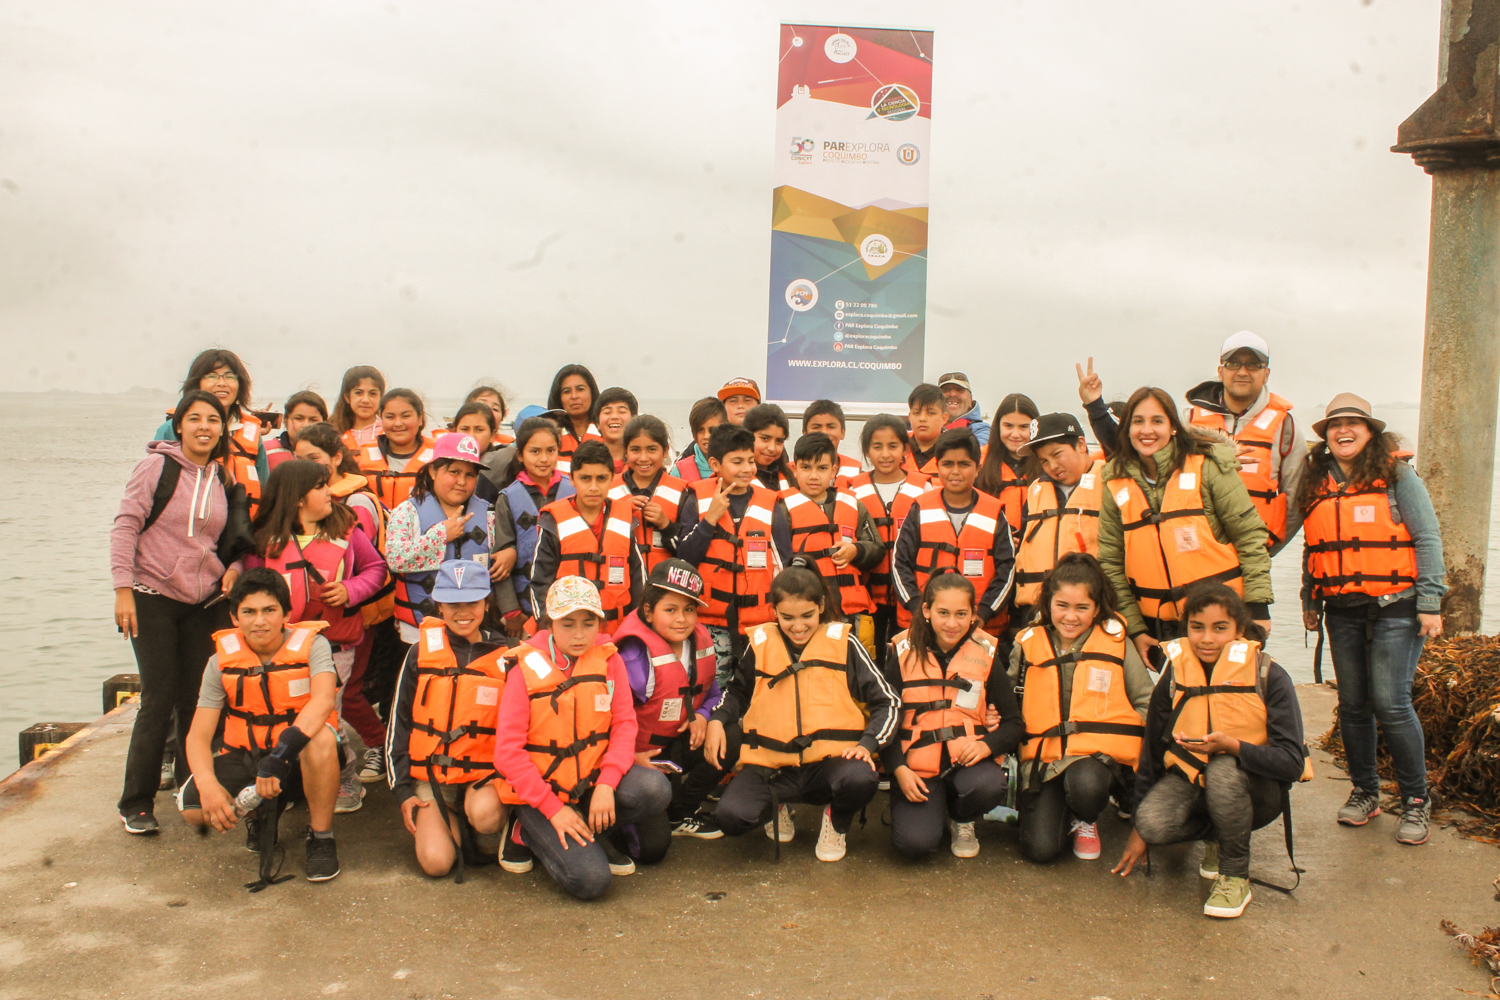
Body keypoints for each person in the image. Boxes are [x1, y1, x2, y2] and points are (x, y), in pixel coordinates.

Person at [1298, 393, 1446, 845]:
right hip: (1341, 610)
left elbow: (1427, 537)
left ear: (1370, 432)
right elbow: (1315, 545)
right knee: (1353, 705)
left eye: (1353, 423)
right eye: (1334, 424)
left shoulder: (1397, 476)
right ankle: (1366, 792)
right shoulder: (1317, 480)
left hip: (1396, 606)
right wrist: (1310, 599)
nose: (1343, 430)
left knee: (1392, 702)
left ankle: (1416, 799)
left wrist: (1430, 602)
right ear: (1326, 435)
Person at [1113, 583, 1308, 920]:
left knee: (1222, 768)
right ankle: (1219, 837)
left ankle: (1235, 876)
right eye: (1197, 627)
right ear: (1186, 629)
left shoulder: (1270, 675)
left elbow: (1291, 763)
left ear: (1239, 630)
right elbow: (1152, 754)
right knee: (1152, 824)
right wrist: (1138, 828)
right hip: (1194, 782)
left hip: (1257, 792)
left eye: (1220, 628)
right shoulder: (1174, 677)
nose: (1206, 639)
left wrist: (1233, 747)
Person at [494, 577, 672, 899]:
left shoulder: (609, 660)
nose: (579, 634)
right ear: (550, 624)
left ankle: (588, 826)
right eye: (568, 624)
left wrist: (606, 784)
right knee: (591, 882)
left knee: (655, 790)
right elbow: (507, 753)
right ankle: (526, 830)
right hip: (539, 794)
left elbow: (624, 725)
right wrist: (552, 808)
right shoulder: (523, 669)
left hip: (590, 783)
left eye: (588, 624)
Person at [113, 390, 242, 834]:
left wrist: (235, 570)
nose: (204, 426)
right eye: (195, 418)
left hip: (201, 602)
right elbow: (126, 525)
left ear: (222, 429)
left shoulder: (222, 478)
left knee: (195, 699)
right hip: (151, 595)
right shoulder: (156, 466)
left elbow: (229, 542)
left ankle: (193, 789)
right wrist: (122, 589)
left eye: (213, 420)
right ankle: (136, 802)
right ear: (179, 425)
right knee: (158, 699)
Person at [707, 559, 897, 861]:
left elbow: (888, 701)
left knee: (861, 778)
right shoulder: (760, 643)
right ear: (774, 611)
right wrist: (717, 719)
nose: (798, 626)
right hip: (772, 766)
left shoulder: (845, 643)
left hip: (830, 764)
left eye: (807, 615)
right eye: (787, 617)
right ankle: (777, 806)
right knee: (731, 817)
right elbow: (736, 692)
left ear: (821, 606)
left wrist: (868, 744)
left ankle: (836, 822)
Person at [236, 458, 388, 813]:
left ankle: (346, 779)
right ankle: (290, 783)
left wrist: (350, 590)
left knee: (327, 719)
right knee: (286, 718)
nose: (330, 492)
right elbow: (250, 590)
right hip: (282, 648)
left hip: (335, 646)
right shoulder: (264, 543)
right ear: (298, 498)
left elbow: (376, 569)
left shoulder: (347, 530)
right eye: (321, 487)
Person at [176, 570, 342, 882]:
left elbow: (323, 701)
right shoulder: (219, 662)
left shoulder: (314, 645)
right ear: (234, 618)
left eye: (269, 610)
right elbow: (198, 736)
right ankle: (261, 813)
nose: (260, 621)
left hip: (296, 756)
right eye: (249, 612)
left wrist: (279, 757)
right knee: (194, 811)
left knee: (321, 738)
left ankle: (321, 837)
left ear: (286, 614)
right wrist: (209, 787)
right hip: (248, 754)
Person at [1097, 387, 1272, 665]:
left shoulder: (1208, 467)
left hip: (1222, 619)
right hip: (1159, 627)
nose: (1147, 430)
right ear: (1127, 430)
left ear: (1173, 427)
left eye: (1157, 421)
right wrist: (1136, 629)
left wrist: (1258, 609)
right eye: (1138, 421)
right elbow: (1110, 563)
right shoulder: (1114, 481)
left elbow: (1249, 537)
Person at [1010, 554, 1150, 863]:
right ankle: (1062, 810)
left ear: (1097, 608)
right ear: (1048, 603)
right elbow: (1009, 699)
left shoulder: (1118, 643)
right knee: (1040, 851)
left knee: (1086, 785)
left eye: (1082, 608)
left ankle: (1088, 817)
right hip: (1044, 762)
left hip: (1095, 760)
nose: (1070, 617)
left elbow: (1145, 701)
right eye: (1062, 606)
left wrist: (1126, 747)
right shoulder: (1027, 643)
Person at [386, 560, 511, 879]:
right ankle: (453, 824)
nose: (463, 612)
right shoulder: (418, 653)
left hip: (482, 777)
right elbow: (398, 725)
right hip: (432, 777)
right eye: (453, 604)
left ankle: (489, 824)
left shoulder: (508, 656)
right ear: (439, 606)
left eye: (472, 602)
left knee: (486, 818)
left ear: (486, 603)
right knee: (437, 862)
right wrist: (403, 791)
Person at [885, 572, 1021, 859]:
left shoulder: (986, 653)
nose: (952, 623)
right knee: (915, 845)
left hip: (967, 763)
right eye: (943, 613)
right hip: (917, 767)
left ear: (973, 614)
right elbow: (884, 722)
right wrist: (899, 769)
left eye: (961, 614)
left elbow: (1014, 724)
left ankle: (962, 817)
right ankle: (931, 809)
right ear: (927, 611)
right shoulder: (901, 653)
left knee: (989, 786)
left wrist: (987, 745)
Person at [292, 422, 392, 784]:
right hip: (308, 629)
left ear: (336, 458)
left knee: (346, 693)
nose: (307, 466)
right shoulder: (284, 522)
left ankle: (378, 746)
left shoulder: (353, 506)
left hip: (356, 617)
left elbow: (368, 563)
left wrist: (350, 590)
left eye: (314, 458)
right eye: (299, 459)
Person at [614, 560, 734, 848]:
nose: (682, 619)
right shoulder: (634, 656)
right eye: (670, 610)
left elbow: (714, 694)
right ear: (648, 611)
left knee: (731, 733)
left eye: (689, 610)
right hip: (638, 757)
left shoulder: (698, 641)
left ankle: (681, 813)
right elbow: (605, 722)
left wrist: (703, 715)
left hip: (678, 745)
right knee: (653, 849)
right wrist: (630, 757)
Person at [675, 423, 781, 685]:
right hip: (710, 624)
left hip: (759, 624)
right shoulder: (696, 499)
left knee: (759, 691)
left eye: (750, 460)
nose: (747, 468)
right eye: (737, 462)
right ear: (715, 464)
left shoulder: (771, 503)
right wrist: (710, 519)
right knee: (711, 690)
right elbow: (685, 559)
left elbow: (784, 563)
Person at [1183, 332, 1306, 554]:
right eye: (1233, 364)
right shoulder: (1188, 421)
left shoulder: (1286, 427)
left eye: (1253, 365)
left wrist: (1265, 551)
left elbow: (1297, 500)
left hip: (1252, 556)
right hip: (1195, 553)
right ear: (1221, 371)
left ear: (1266, 374)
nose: (1242, 372)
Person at [891, 428, 1016, 635]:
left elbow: (1008, 570)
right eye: (948, 464)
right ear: (937, 467)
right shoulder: (919, 509)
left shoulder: (994, 513)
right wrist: (917, 609)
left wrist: (983, 615)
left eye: (964, 464)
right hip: (924, 623)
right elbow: (899, 564)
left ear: (978, 468)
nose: (955, 471)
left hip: (980, 626)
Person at [384, 433, 498, 647]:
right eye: (454, 472)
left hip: (474, 629)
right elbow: (394, 559)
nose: (462, 482)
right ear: (433, 471)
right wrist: (441, 536)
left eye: (470, 475)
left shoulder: (490, 513)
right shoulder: (407, 511)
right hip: (418, 631)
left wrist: (509, 553)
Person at [531, 440, 645, 632]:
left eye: (601, 478)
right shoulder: (553, 521)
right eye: (585, 478)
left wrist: (638, 627)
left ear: (611, 478)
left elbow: (638, 578)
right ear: (572, 479)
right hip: (571, 631)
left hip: (619, 628)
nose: (593, 487)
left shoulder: (625, 517)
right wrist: (548, 628)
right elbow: (540, 583)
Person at [849, 414, 933, 652]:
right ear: (867, 451)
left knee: (906, 656)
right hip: (867, 596)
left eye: (893, 446)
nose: (885, 454)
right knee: (869, 655)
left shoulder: (924, 489)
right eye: (877, 447)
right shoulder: (852, 490)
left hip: (910, 595)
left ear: (905, 449)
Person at [1012, 413, 1106, 624]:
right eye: (1044, 460)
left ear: (1081, 444)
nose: (1052, 465)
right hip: (1036, 610)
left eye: (1057, 454)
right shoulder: (1036, 490)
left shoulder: (1108, 483)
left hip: (1089, 610)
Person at [780, 432, 883, 623]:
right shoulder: (783, 508)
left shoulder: (853, 504)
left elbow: (876, 548)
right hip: (807, 610)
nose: (813, 476)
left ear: (833, 470)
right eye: (806, 467)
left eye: (822, 468)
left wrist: (856, 550)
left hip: (852, 613)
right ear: (794, 469)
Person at [153, 349, 271, 515]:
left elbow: (265, 488)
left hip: (241, 526)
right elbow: (152, 486)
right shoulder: (171, 429)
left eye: (229, 376)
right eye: (212, 376)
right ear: (197, 384)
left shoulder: (251, 433)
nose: (222, 383)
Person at [494, 417, 576, 631]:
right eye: (535, 451)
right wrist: (511, 611)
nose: (544, 459)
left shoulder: (574, 491)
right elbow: (500, 559)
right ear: (520, 455)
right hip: (525, 607)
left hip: (571, 602)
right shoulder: (507, 498)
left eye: (551, 450)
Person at [611, 414, 685, 572]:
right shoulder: (609, 490)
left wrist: (665, 525)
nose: (643, 458)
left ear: (665, 451)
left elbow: (689, 551)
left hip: (663, 582)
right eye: (635, 450)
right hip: (623, 580)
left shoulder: (683, 491)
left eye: (652, 449)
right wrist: (621, 514)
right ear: (625, 451)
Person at [356, 388, 436, 511]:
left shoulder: (437, 459)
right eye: (390, 417)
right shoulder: (362, 457)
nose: (398, 423)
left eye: (405, 416)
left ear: (420, 418)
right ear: (381, 419)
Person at [976, 392, 1040, 537]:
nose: (1015, 434)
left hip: (1033, 543)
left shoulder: (1046, 463)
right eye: (1008, 426)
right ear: (998, 426)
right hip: (992, 542)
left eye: (1024, 427)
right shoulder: (979, 461)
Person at [546, 364, 603, 474]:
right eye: (567, 391)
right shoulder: (549, 435)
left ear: (592, 392)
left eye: (580, 389)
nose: (574, 396)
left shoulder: (606, 432)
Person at [449, 401, 504, 503]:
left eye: (479, 430)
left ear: (493, 435)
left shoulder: (503, 466)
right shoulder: (443, 466)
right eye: (464, 429)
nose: (471, 436)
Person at [264, 390, 329, 470]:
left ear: (324, 423)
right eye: (299, 418)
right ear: (286, 421)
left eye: (313, 420)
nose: (305, 425)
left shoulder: (331, 454)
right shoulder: (267, 451)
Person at [801, 400, 863, 482]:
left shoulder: (858, 475)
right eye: (816, 427)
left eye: (831, 427)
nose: (824, 432)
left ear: (842, 432)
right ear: (805, 433)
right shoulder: (790, 475)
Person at [332, 365, 386, 451]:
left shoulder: (389, 431)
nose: (365, 400)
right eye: (358, 393)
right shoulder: (333, 433)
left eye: (372, 393)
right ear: (347, 397)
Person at [744, 402, 795, 491]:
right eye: (765, 438)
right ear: (746, 436)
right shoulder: (731, 480)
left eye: (779, 441)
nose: (772, 448)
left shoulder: (793, 479)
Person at [675, 396, 726, 483]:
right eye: (700, 430)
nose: (706, 436)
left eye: (712, 430)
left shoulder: (739, 465)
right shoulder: (680, 471)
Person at [937, 371, 991, 446]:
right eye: (946, 390)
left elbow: (978, 451)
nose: (953, 394)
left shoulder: (982, 430)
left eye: (959, 390)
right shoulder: (927, 427)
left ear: (970, 400)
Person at [905, 383, 948, 474]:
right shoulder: (898, 445)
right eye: (916, 413)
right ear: (909, 417)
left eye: (931, 413)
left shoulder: (955, 450)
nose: (922, 418)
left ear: (944, 418)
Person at [595, 386, 639, 473]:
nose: (614, 416)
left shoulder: (641, 460)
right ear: (598, 423)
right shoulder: (589, 460)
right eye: (607, 412)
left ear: (633, 419)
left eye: (622, 411)